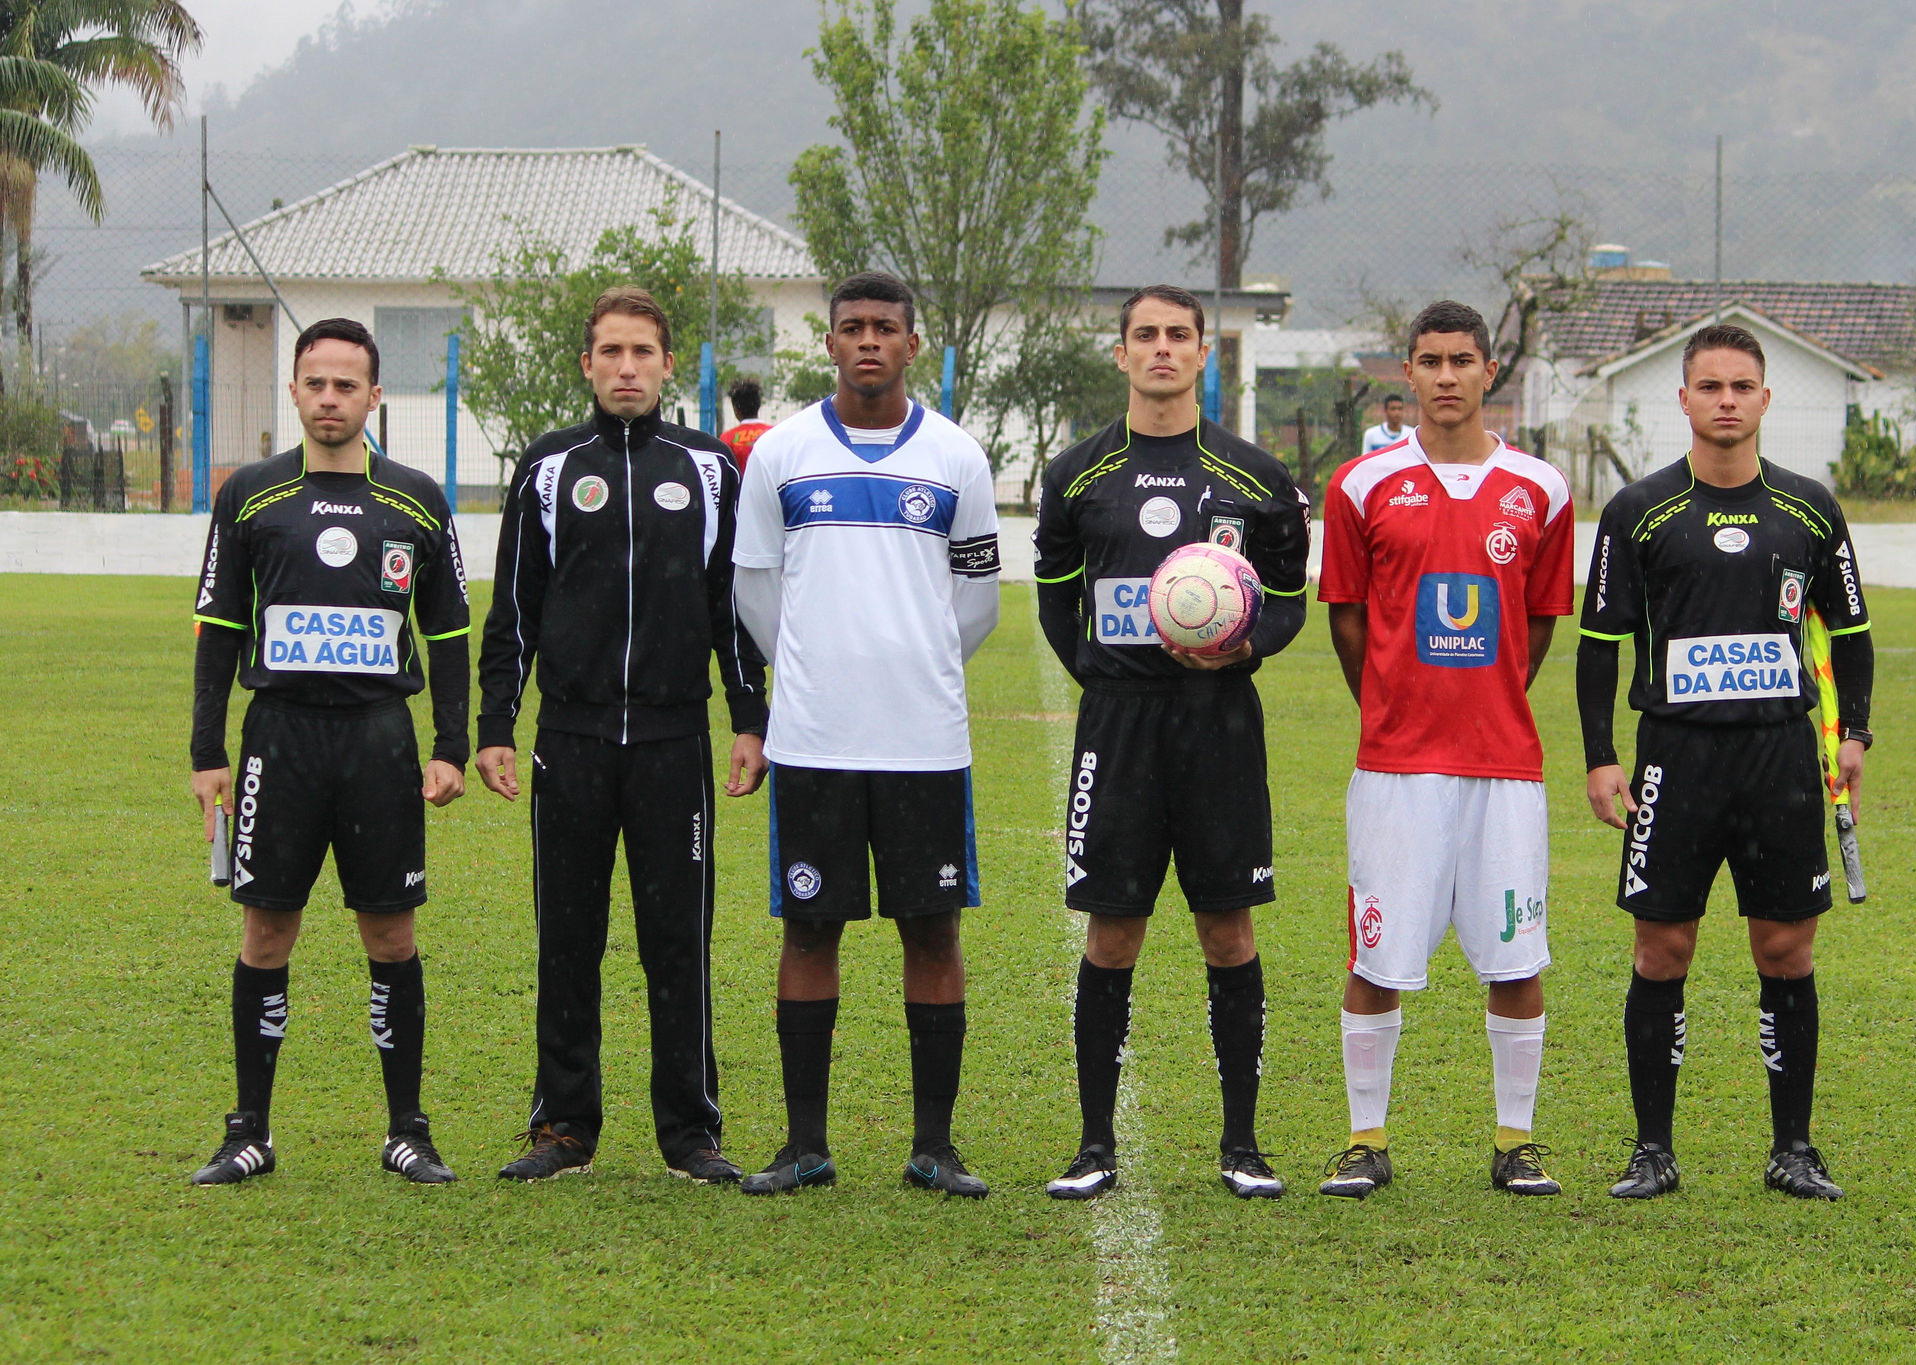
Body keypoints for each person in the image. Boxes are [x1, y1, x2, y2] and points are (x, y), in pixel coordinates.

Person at [476, 286, 768, 1184]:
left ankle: (690, 1131)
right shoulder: (550, 465)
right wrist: (495, 724)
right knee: (567, 934)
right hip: (571, 739)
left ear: (669, 364)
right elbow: (514, 608)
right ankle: (564, 1125)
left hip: (675, 745)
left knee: (678, 937)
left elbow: (735, 609)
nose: (627, 368)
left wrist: (748, 718)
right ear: (588, 365)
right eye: (611, 352)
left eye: (644, 352)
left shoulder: (712, 467)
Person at [1579, 322, 1872, 1202]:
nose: (1727, 401)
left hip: (1779, 756)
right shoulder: (1638, 511)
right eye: (1710, 387)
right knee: (1662, 947)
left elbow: (1852, 633)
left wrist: (1853, 732)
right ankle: (1652, 1151)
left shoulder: (1811, 508)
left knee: (1785, 947)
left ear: (1765, 398)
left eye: (1742, 386)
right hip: (1676, 757)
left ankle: (1794, 1147)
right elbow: (1600, 646)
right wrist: (1601, 756)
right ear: (1685, 400)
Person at [1034, 284, 1311, 1200]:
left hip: (1219, 724)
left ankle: (1242, 1144)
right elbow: (1052, 591)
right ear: (1120, 353)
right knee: (1113, 930)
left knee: (1226, 928)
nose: (1161, 349)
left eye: (1178, 336)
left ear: (1203, 355)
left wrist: (1242, 647)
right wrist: (1097, 671)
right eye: (1144, 335)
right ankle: (1093, 1143)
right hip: (1118, 726)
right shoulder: (1075, 472)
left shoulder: (1256, 477)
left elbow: (1288, 597)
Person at [731, 271, 1001, 1198]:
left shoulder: (957, 457)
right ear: (832, 342)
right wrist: (816, 672)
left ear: (913, 344)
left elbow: (976, 603)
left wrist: (910, 660)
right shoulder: (782, 454)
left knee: (932, 931)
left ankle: (934, 1145)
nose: (869, 342)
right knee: (810, 929)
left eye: (886, 327)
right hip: (815, 741)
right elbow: (758, 594)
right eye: (852, 328)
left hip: (925, 741)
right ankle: (805, 1144)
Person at [187, 317, 470, 1186]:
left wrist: (451, 743)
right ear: (296, 390)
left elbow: (451, 628)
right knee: (266, 928)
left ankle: (407, 1131)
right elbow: (219, 622)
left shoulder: (418, 497)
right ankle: (249, 1132)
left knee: (390, 932)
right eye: (316, 383)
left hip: (381, 740)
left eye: (349, 384)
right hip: (280, 737)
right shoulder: (252, 495)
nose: (331, 398)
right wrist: (206, 749)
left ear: (374, 396)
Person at [1316, 300, 1575, 1200]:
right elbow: (1348, 619)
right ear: (1408, 373)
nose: (1447, 375)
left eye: (1463, 359)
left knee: (1517, 956)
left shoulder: (1541, 488)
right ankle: (1365, 1139)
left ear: (1489, 370)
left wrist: (1486, 699)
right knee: (1376, 956)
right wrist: (1390, 704)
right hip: (1394, 767)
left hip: (1504, 766)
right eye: (1429, 360)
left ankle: (1517, 1142)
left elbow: (1537, 625)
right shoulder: (1360, 485)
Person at [720, 378, 774, 477]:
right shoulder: (774, 433)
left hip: (741, 491)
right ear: (759, 405)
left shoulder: (727, 438)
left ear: (735, 409)